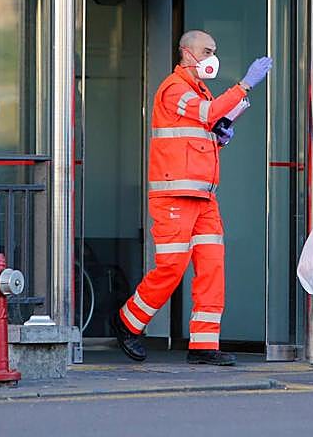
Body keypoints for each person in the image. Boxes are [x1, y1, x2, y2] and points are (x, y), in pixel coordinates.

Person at [111, 30, 273, 366]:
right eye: (207, 50)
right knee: (171, 267)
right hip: (174, 195)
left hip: (203, 196)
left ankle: (203, 345)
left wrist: (219, 137)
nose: (212, 56)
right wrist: (244, 86)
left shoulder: (198, 89)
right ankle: (128, 322)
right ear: (187, 52)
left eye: (215, 50)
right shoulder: (174, 88)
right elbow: (207, 113)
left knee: (212, 268)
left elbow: (201, 129)